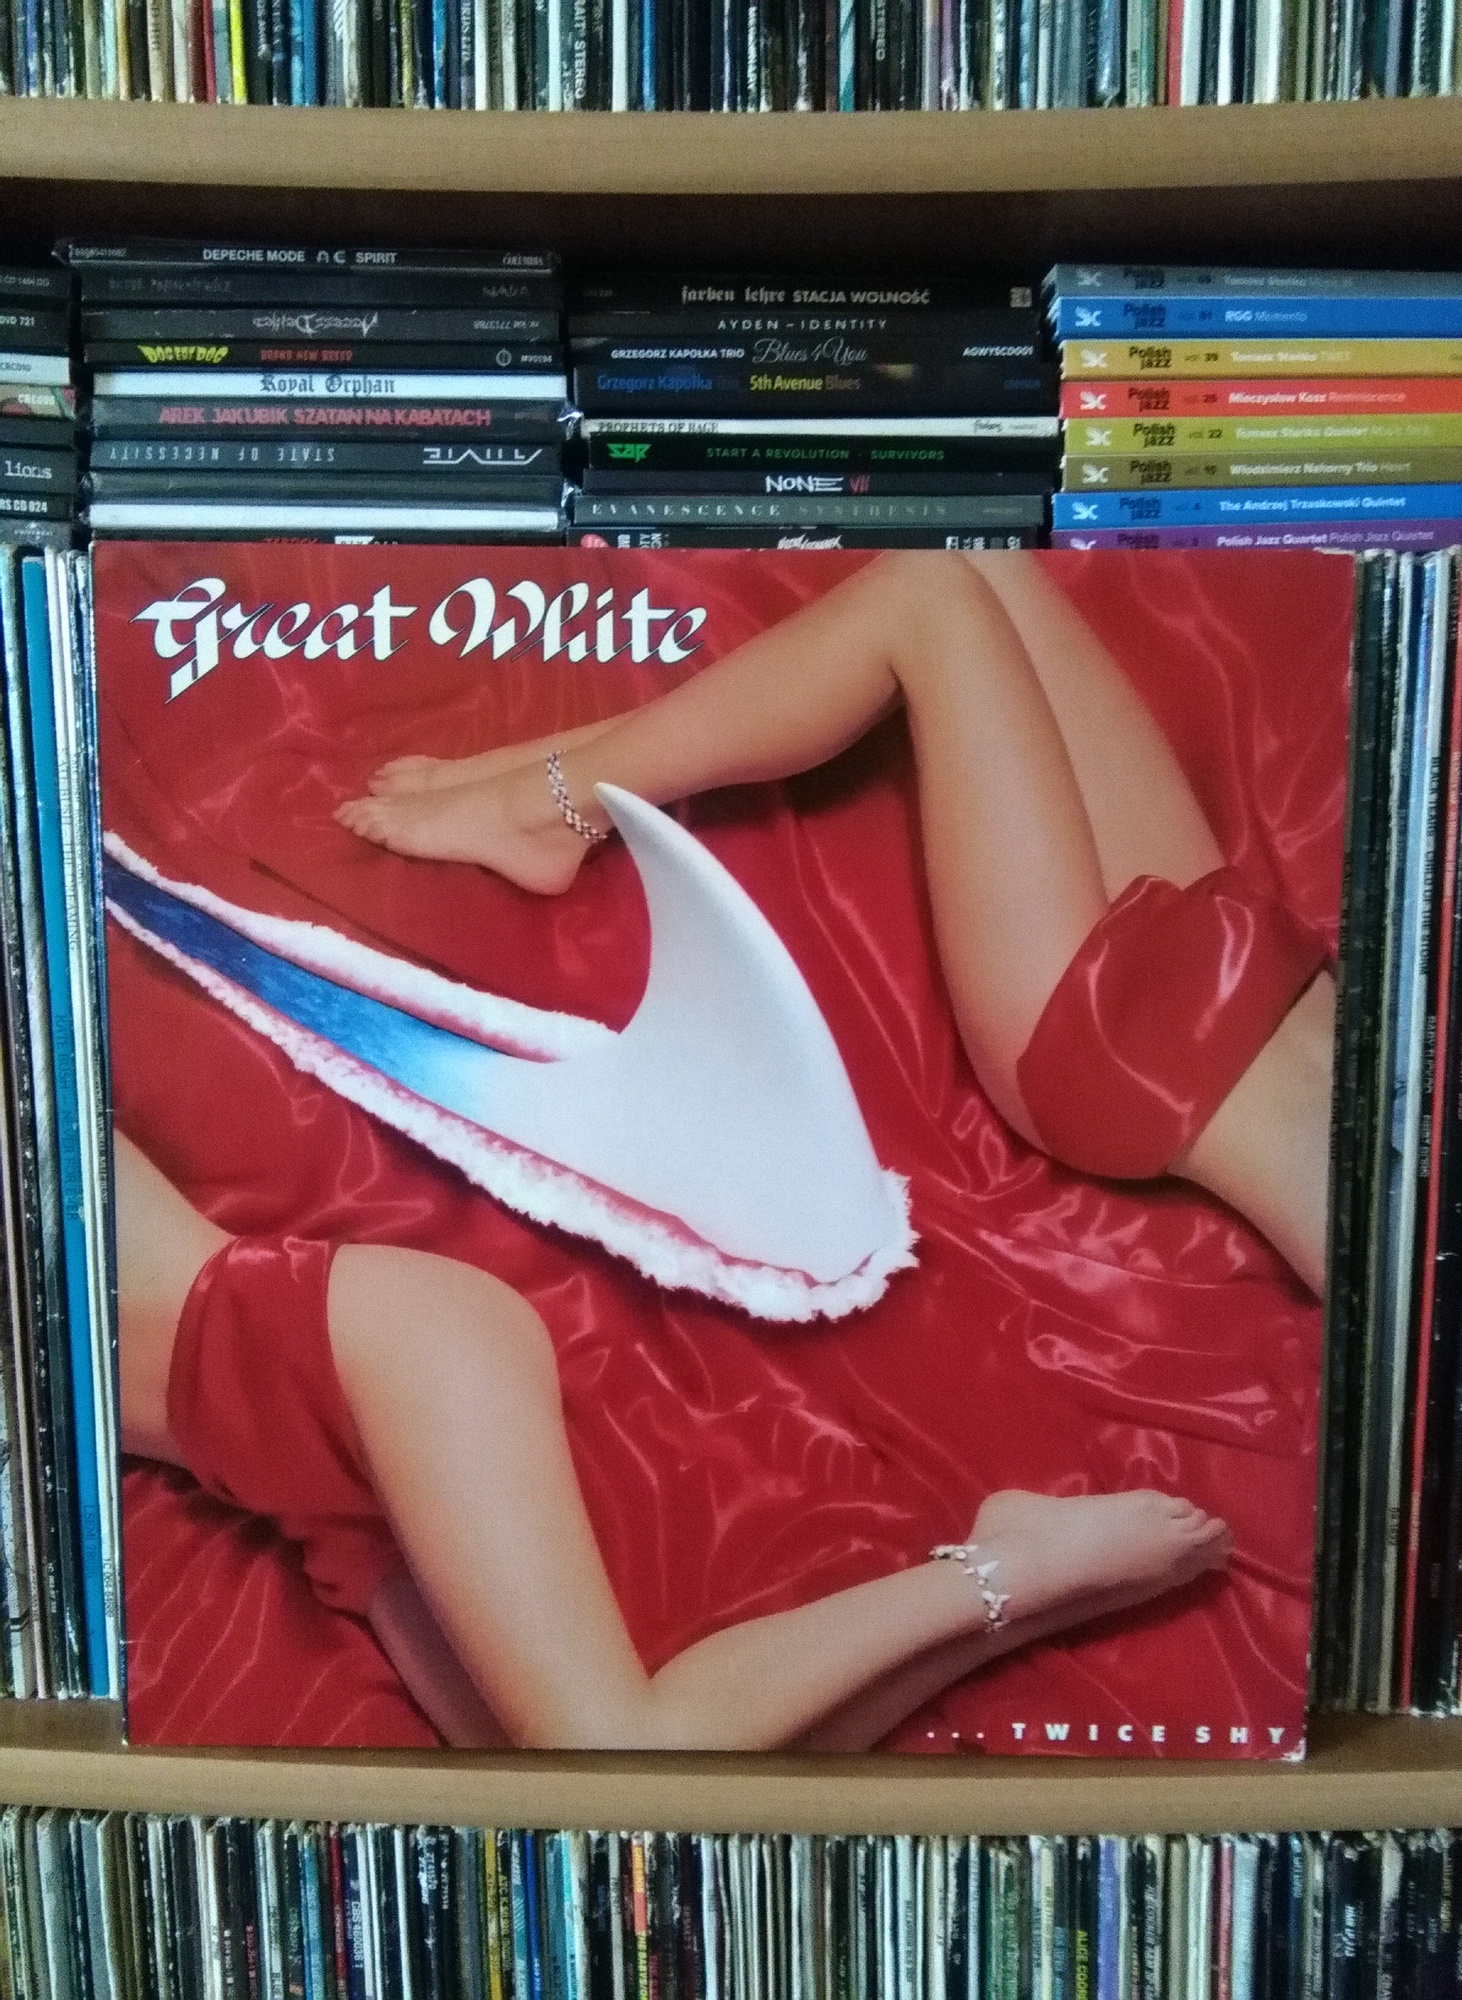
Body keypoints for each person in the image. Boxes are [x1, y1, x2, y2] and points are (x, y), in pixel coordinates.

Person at [336, 551, 1335, 1297]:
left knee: (926, 600)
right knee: (981, 562)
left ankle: (543, 810)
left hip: (1132, 1054)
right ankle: (541, 786)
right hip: (1241, 950)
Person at [115, 1128, 1232, 1753]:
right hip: (287, 1470)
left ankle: (1007, 1571)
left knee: (617, 1765)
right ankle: (1007, 1584)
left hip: (347, 1348)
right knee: (624, 1838)